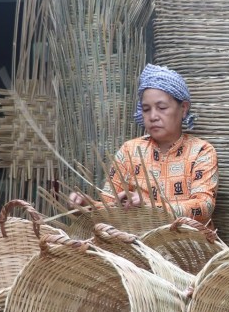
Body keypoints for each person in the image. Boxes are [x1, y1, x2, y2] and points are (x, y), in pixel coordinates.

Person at [71, 63, 218, 226]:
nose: (153, 116)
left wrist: (151, 207)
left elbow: (204, 206)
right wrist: (89, 206)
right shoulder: (130, 151)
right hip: (137, 243)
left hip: (187, 244)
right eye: (146, 109)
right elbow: (110, 207)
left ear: (183, 108)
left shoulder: (201, 151)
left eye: (162, 107)